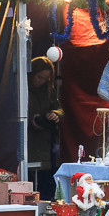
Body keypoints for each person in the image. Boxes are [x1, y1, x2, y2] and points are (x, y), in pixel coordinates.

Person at [28, 56, 64, 198]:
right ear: (32, 74)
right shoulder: (20, 87)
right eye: (39, 77)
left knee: (45, 185)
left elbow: (59, 109)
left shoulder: (48, 90)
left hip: (44, 145)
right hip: (28, 143)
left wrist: (55, 114)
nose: (41, 81)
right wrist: (34, 120)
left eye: (45, 79)